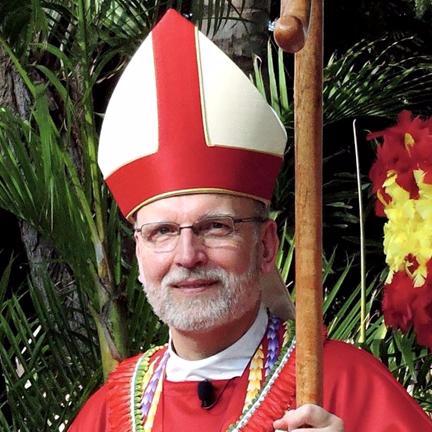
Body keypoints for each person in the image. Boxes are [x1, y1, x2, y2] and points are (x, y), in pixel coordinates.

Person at [69, 9, 432, 432]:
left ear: (266, 246)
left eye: (215, 227)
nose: (187, 255)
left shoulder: (341, 384)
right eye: (162, 232)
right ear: (138, 251)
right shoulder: (106, 414)